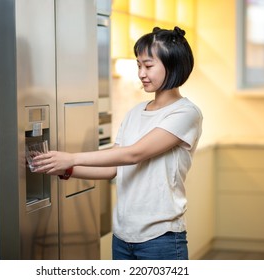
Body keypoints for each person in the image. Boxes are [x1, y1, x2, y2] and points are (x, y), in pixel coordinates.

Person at [33, 26, 203, 260]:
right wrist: (64, 168)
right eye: (138, 65)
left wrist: (71, 157)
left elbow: (134, 154)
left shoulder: (186, 113)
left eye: (148, 65)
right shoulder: (135, 112)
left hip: (161, 239)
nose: (141, 73)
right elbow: (113, 168)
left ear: (173, 64)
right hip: (123, 236)